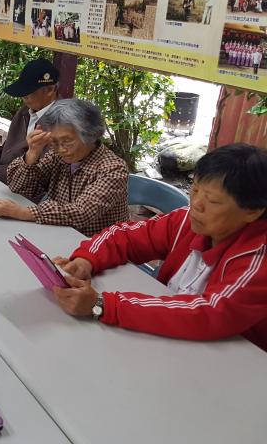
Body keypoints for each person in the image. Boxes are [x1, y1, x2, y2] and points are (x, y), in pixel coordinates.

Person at [52, 144, 267, 351]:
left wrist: (103, 305)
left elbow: (209, 313)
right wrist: (86, 260)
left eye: (212, 201)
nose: (196, 204)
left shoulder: (259, 259)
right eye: (195, 190)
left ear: (252, 211)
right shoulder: (185, 221)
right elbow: (123, 235)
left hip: (233, 363)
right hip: (166, 341)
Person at [0, 99, 129, 236]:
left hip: (98, 245)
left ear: (90, 136)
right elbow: (19, 187)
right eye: (53, 142)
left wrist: (22, 212)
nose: (60, 149)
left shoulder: (113, 169)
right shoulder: (57, 156)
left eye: (67, 141)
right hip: (58, 232)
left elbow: (81, 213)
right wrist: (32, 153)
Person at [0, 59, 59, 183]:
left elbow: (42, 174)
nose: (23, 97)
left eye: (28, 93)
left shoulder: (61, 124)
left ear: (50, 90)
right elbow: (9, 149)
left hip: (26, 194)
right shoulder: (25, 111)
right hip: (2, 183)